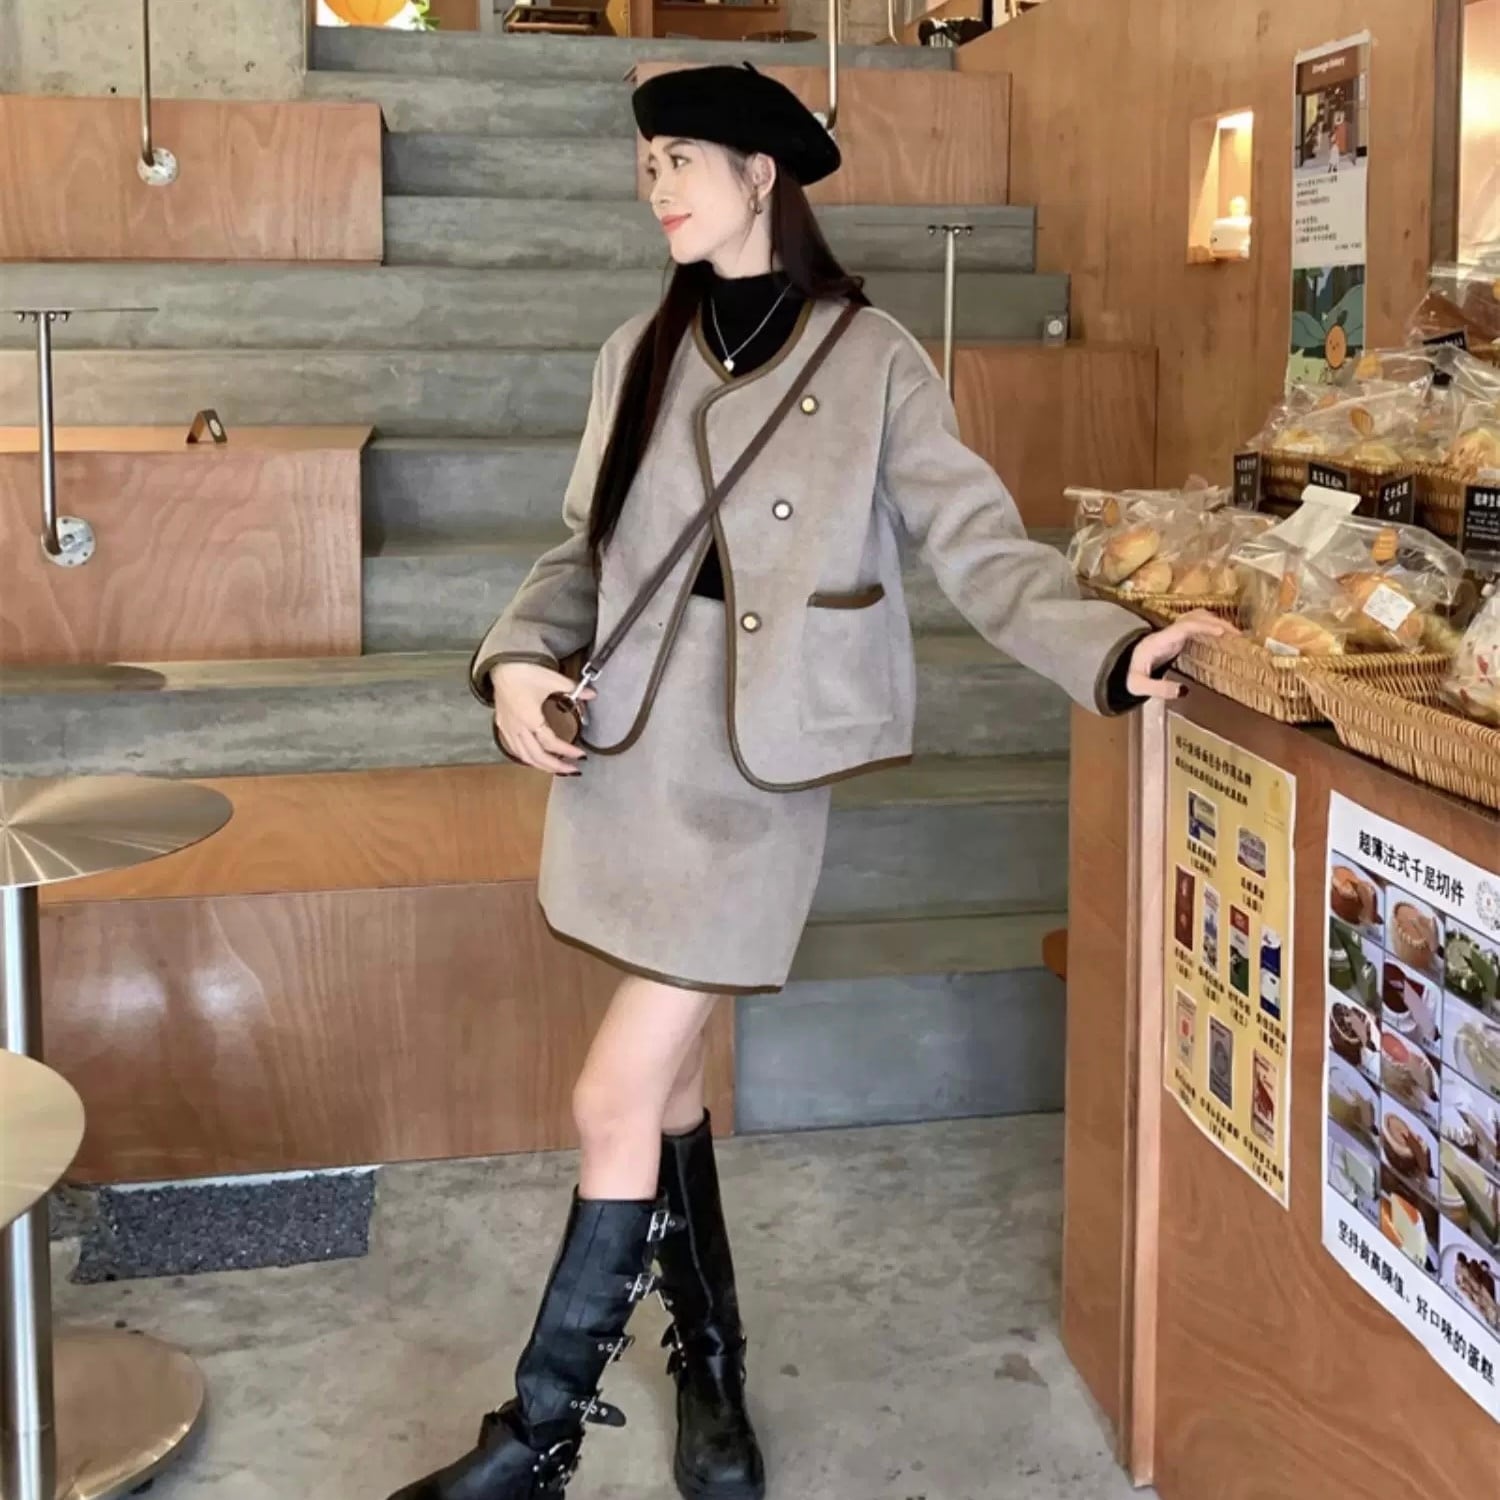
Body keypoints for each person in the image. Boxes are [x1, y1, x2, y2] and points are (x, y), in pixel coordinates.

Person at [387, 62, 1229, 1500]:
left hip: (760, 773)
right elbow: (582, 552)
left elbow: (977, 544)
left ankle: (534, 1443)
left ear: (762, 173)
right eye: (648, 163)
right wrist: (516, 661)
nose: (658, 186)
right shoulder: (635, 350)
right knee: (663, 1090)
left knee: (608, 1096)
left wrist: (1108, 646)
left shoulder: (875, 356)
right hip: (627, 758)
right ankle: (712, 1368)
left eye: (683, 160)